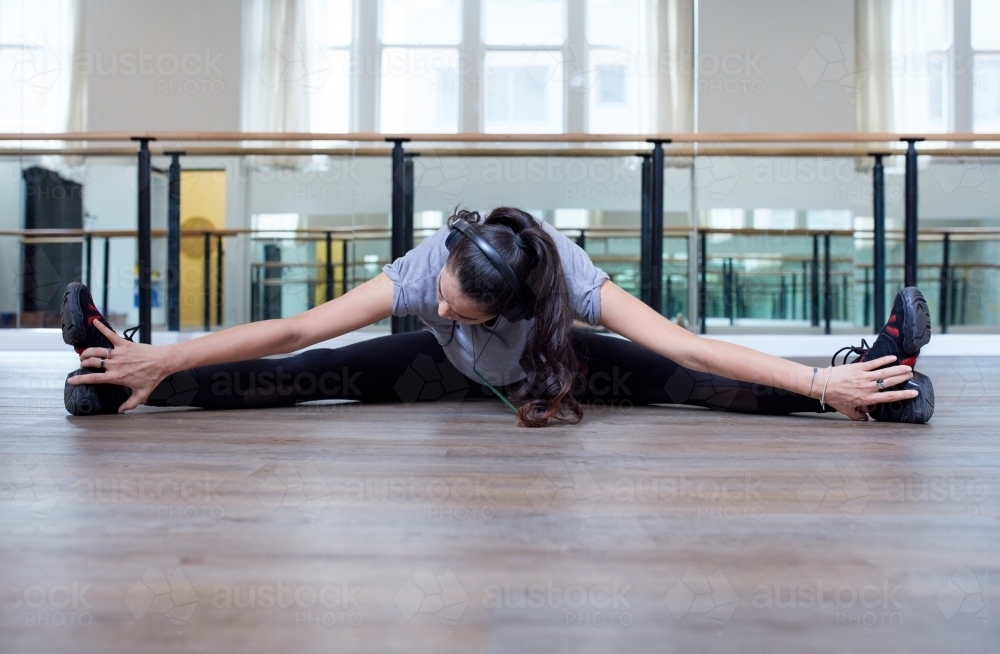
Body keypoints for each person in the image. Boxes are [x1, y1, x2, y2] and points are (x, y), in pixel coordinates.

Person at [62, 207, 934, 426]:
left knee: (696, 384)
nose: (436, 304)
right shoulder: (427, 270)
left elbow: (687, 340)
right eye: (441, 292)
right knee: (297, 379)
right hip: (440, 370)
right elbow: (297, 330)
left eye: (455, 306)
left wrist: (821, 380)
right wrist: (169, 357)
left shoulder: (572, 285)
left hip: (558, 364)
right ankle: (120, 372)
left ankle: (877, 381)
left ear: (515, 305)